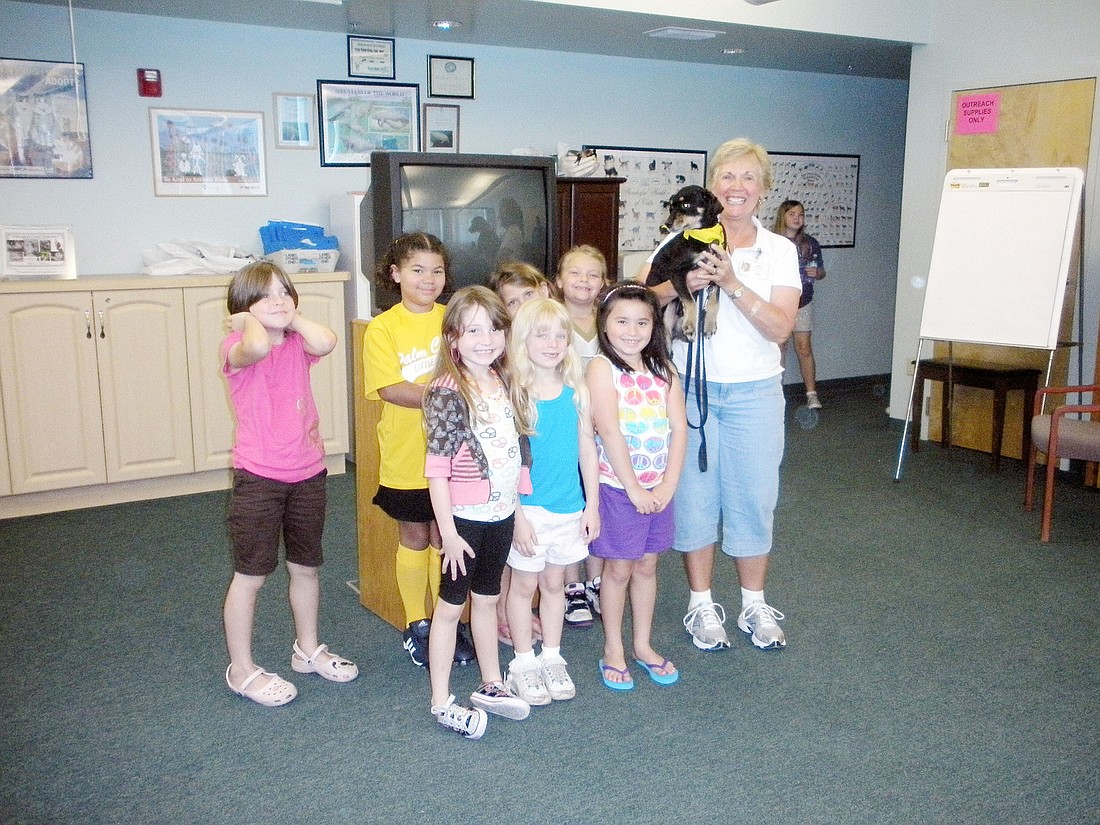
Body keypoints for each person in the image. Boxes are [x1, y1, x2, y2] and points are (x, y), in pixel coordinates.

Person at [639, 138, 801, 652]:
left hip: (755, 393)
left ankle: (754, 603)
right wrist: (682, 282)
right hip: (687, 391)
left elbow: (779, 329)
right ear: (713, 186)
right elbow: (639, 299)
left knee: (754, 498)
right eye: (728, 177)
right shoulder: (680, 241)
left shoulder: (780, 251)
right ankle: (701, 604)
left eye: (749, 178)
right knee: (694, 498)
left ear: (763, 188)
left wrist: (731, 282)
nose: (738, 187)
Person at [221, 261, 358, 707]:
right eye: (265, 294)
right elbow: (257, 347)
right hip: (258, 479)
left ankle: (307, 648)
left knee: (306, 566)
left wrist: (288, 314)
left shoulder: (300, 343)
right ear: (243, 309)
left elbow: (328, 339)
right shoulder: (236, 346)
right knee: (252, 575)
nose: (279, 299)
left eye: (285, 291)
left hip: (308, 473)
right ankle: (240, 668)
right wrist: (247, 320)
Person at [423, 286, 533, 738]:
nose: (485, 339)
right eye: (472, 330)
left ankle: (491, 682)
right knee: (450, 608)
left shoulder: (503, 381)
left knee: (487, 601)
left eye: (494, 328)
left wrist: (519, 514)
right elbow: (437, 470)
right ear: (452, 338)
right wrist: (448, 532)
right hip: (464, 521)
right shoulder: (447, 391)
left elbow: (515, 453)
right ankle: (440, 699)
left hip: (502, 514)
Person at [363, 232, 475, 668]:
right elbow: (390, 388)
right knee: (414, 534)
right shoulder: (383, 327)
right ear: (395, 274)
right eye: (417, 269)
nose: (429, 279)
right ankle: (417, 624)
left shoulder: (454, 318)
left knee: (445, 536)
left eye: (437, 270)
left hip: (458, 455)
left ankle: (447, 620)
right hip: (408, 453)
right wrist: (449, 393)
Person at [586, 284, 687, 691]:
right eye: (622, 321)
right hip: (618, 489)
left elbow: (679, 428)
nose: (633, 330)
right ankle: (614, 648)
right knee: (620, 569)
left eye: (642, 321)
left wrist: (668, 485)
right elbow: (608, 430)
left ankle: (642, 645)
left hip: (659, 489)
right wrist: (634, 490)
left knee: (647, 565)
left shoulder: (664, 367)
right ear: (605, 325)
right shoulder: (600, 367)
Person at [503, 298, 601, 705]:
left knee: (556, 584)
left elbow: (587, 451)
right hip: (530, 510)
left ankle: (552, 657)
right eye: (542, 334)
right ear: (522, 339)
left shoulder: (577, 390)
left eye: (561, 334)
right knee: (525, 584)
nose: (553, 342)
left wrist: (591, 505)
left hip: (569, 507)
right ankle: (523, 662)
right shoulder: (514, 393)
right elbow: (507, 461)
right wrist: (519, 517)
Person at [488, 262, 553, 647]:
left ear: (545, 291)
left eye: (529, 294)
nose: (523, 305)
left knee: (530, 543)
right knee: (509, 537)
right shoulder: (503, 356)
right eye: (512, 302)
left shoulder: (554, 342)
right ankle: (501, 612)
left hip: (549, 457)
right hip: (514, 459)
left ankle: (523, 607)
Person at [555, 245, 613, 627]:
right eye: (575, 273)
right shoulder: (553, 320)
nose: (584, 281)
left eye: (593, 275)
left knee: (601, 497)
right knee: (571, 502)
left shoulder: (610, 321)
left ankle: (596, 577)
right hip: (565, 426)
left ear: (604, 282)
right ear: (559, 281)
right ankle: (571, 583)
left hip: (605, 425)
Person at [774, 199, 827, 410]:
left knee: (804, 347)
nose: (797, 218)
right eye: (792, 214)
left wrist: (818, 273)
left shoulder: (810, 243)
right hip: (778, 303)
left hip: (803, 302)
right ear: (783, 217)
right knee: (779, 347)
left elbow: (821, 271)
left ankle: (811, 394)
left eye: (801, 214)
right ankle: (775, 393)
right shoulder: (772, 242)